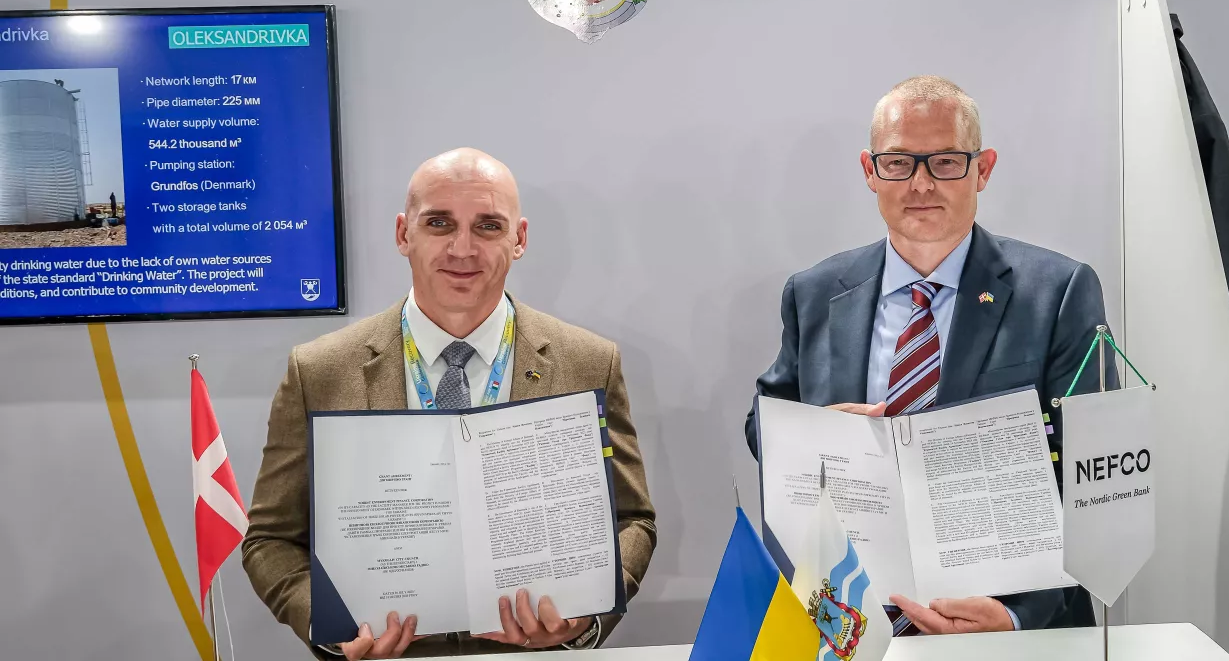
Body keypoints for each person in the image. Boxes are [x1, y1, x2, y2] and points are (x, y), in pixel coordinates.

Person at [243, 148, 656, 657]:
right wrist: (333, 628)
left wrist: (583, 620)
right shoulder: (320, 370)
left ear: (519, 239)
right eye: (439, 223)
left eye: (488, 226)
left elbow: (632, 521)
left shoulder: (589, 362)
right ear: (403, 234)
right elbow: (270, 540)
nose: (463, 249)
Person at [744, 76, 1115, 634]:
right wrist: (815, 436)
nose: (920, 184)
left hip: (1004, 623)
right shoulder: (814, 293)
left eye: (945, 162)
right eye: (898, 163)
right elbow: (764, 426)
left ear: (982, 169)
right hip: (850, 619)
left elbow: (1095, 473)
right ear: (870, 171)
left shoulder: (1057, 292)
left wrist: (1017, 616)